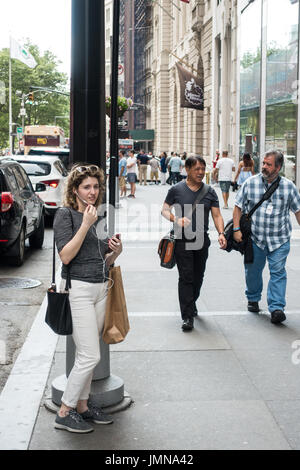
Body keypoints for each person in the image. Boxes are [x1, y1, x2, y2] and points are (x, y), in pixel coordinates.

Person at [53, 164, 123, 433]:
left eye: (95, 187)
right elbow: (66, 255)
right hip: (78, 290)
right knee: (90, 356)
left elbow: (101, 257)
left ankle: (82, 406)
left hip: (101, 288)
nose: (92, 192)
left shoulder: (98, 217)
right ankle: (65, 411)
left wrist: (114, 253)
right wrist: (85, 224)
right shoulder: (66, 215)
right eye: (86, 187)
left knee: (87, 352)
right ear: (75, 190)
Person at [233, 150, 300, 324]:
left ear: (278, 167)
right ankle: (253, 297)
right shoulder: (250, 183)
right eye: (263, 163)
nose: (264, 166)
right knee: (253, 272)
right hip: (255, 238)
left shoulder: (288, 186)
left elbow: (298, 211)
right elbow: (237, 206)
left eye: (268, 164)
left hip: (279, 239)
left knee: (278, 272)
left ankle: (277, 307)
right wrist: (236, 229)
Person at [161, 155, 227, 331]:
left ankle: (191, 301)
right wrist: (176, 219)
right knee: (186, 277)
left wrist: (221, 233)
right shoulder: (176, 189)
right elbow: (164, 210)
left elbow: (217, 215)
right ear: (187, 169)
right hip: (182, 240)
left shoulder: (210, 191)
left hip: (201, 241)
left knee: (198, 276)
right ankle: (187, 316)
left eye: (202, 169)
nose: (200, 172)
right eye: (197, 169)